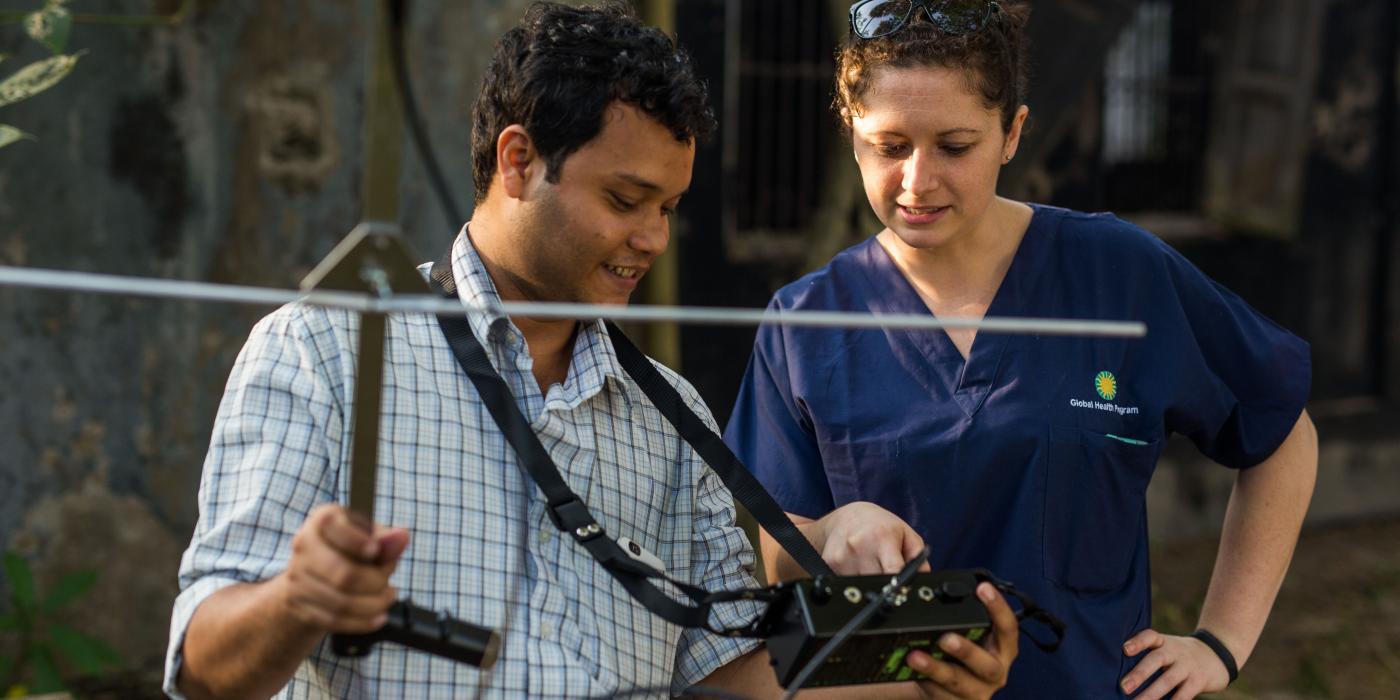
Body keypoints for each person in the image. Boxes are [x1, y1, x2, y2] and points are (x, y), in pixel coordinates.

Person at [164, 3, 1018, 698]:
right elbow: (202, 665)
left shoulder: (673, 415)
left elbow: (731, 676)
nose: (650, 239)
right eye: (626, 198)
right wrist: (296, 600)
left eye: (670, 208)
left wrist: (923, 675)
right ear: (518, 161)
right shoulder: (326, 351)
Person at [723, 1, 1318, 698]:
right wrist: (834, 529)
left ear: (1012, 134)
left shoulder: (1119, 274)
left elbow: (1280, 431)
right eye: (889, 146)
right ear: (851, 133)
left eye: (954, 146)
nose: (917, 181)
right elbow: (784, 564)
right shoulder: (805, 322)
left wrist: (1222, 642)